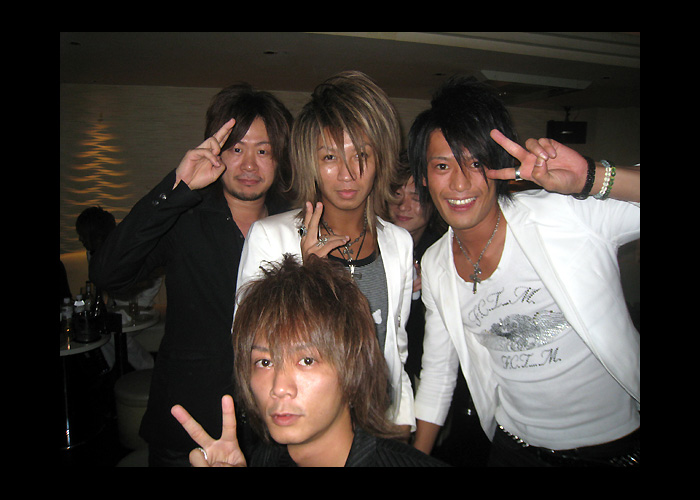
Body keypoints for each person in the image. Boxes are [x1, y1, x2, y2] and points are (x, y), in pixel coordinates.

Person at [408, 76, 640, 466]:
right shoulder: (435, 265)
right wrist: (415, 458)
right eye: (443, 166)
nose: (460, 183)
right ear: (424, 176)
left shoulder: (564, 214)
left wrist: (590, 177)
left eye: (476, 163)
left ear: (498, 165)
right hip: (514, 449)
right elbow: (438, 374)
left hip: (613, 448)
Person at [90, 83, 293, 466]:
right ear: (216, 151)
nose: (250, 165)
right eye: (237, 149)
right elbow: (108, 273)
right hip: (189, 425)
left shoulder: (295, 225)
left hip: (272, 428)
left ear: (280, 158)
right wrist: (176, 186)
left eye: (263, 151)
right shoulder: (184, 216)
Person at [236, 71, 415, 436]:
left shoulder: (398, 241)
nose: (347, 173)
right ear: (311, 163)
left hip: (379, 426)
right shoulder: (271, 237)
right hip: (305, 425)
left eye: (361, 155)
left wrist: (401, 422)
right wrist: (307, 278)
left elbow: (395, 345)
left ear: (380, 158)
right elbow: (250, 349)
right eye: (330, 156)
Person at [171, 254, 448, 466]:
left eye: (306, 360)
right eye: (265, 362)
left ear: (353, 367)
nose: (279, 388)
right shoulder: (261, 460)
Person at [76, 206, 158, 371]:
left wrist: (136, 303)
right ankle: (112, 371)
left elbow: (154, 277)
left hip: (139, 307)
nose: (80, 240)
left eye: (83, 235)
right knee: (97, 328)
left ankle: (149, 367)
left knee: (112, 331)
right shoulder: (93, 254)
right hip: (116, 309)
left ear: (96, 236)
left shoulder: (127, 250)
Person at [388, 155, 445, 388]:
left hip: (432, 372)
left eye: (416, 198)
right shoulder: (371, 246)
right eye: (396, 195)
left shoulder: (444, 252)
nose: (403, 206)